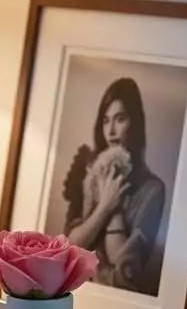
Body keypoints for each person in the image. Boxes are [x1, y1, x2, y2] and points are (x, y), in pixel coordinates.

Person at [62, 77, 165, 295]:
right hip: (74, 293)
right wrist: (105, 206)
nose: (110, 131)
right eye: (105, 120)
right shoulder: (88, 172)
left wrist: (116, 207)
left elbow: (123, 268)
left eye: (120, 119)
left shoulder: (153, 190)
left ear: (135, 123)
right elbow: (67, 250)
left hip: (116, 304)